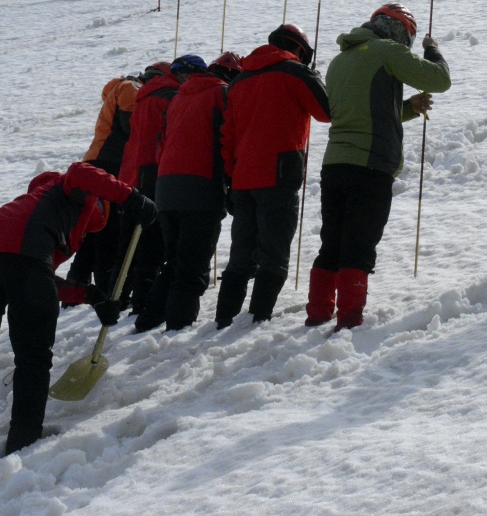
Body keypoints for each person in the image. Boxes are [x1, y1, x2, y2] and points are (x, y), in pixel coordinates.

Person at [0, 162, 155, 455]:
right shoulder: (72, 194)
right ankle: (24, 439)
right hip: (22, 257)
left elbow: (40, 280)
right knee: (34, 355)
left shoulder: (33, 210)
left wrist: (92, 297)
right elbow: (81, 172)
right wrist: (130, 197)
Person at [309, 4, 449, 331]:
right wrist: (433, 50)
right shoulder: (385, 51)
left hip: (334, 165)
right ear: (399, 32)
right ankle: (349, 321)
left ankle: (317, 313)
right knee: (359, 245)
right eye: (409, 38)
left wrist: (408, 108)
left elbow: (360, 113)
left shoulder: (342, 60)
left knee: (332, 242)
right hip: (370, 166)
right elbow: (439, 80)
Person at [216, 24, 330, 327]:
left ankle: (224, 319)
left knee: (241, 255)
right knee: (274, 255)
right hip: (279, 176)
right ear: (300, 50)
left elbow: (227, 136)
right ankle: (256, 320)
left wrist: (231, 177)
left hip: (242, 179)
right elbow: (326, 111)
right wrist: (314, 77)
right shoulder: (294, 72)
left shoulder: (239, 80)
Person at [136, 52, 242, 332]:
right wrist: (232, 182)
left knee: (173, 261)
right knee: (192, 268)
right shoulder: (221, 93)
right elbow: (229, 138)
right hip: (200, 187)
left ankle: (148, 321)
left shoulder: (178, 98)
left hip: (166, 189)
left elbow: (161, 142)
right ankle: (178, 328)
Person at [115, 58, 197, 311]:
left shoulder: (143, 98)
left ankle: (116, 297)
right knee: (152, 242)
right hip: (153, 172)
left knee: (129, 243)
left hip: (129, 173)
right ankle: (143, 300)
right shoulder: (170, 97)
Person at [63, 72, 141, 297]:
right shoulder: (130, 86)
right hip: (110, 163)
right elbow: (130, 127)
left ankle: (77, 284)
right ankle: (106, 288)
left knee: (95, 227)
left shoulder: (113, 92)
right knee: (108, 226)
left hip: (96, 161)